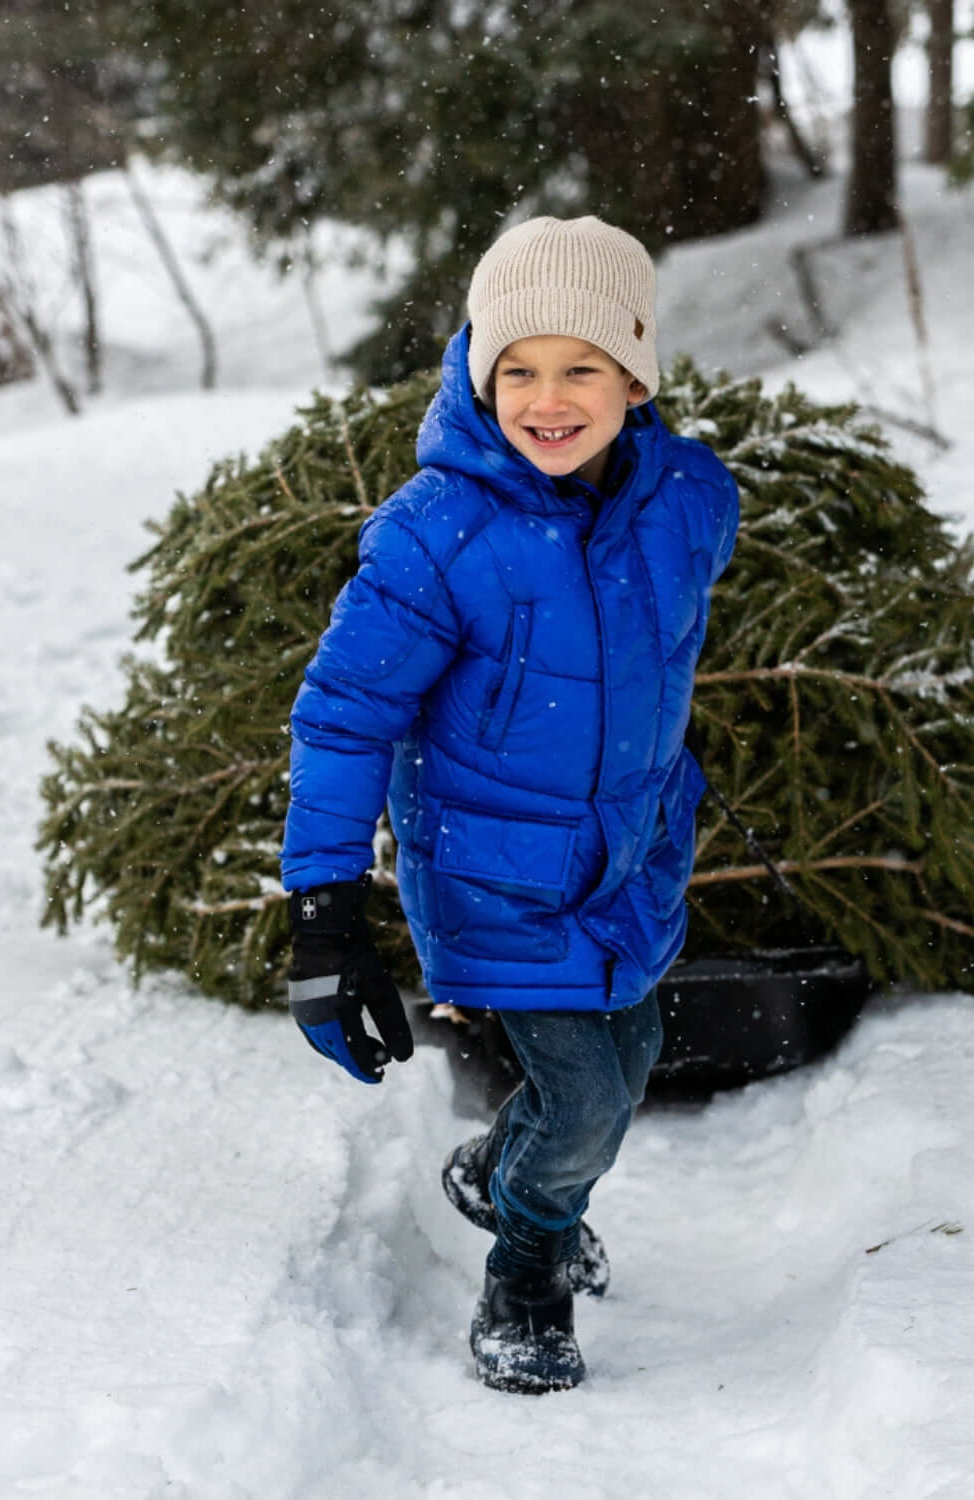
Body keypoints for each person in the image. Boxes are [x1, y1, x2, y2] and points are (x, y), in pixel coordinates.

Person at [281, 216, 739, 1394]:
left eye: (581, 366)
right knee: (585, 1096)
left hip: (631, 859)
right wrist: (323, 911)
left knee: (625, 1061)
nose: (547, 397)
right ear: (480, 371)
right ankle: (525, 1273)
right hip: (495, 876)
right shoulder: (437, 537)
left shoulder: (689, 505)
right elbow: (343, 715)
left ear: (635, 375)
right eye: (517, 366)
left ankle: (501, 1176)